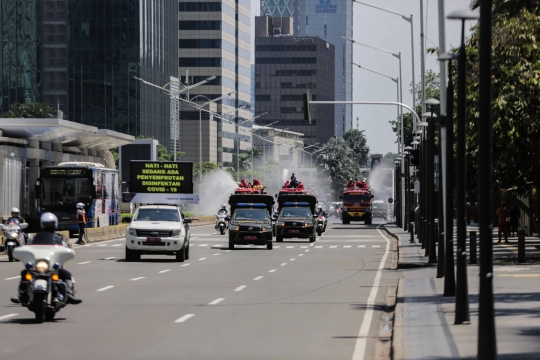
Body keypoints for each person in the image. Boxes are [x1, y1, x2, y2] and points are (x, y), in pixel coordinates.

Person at [11, 213, 82, 305]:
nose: (49, 226)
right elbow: (29, 247)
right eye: (47, 224)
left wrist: (68, 252)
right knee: (25, 273)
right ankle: (23, 293)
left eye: (50, 224)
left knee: (66, 274)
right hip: (38, 265)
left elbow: (68, 248)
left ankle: (69, 294)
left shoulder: (59, 238)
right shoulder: (36, 237)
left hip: (53, 267)